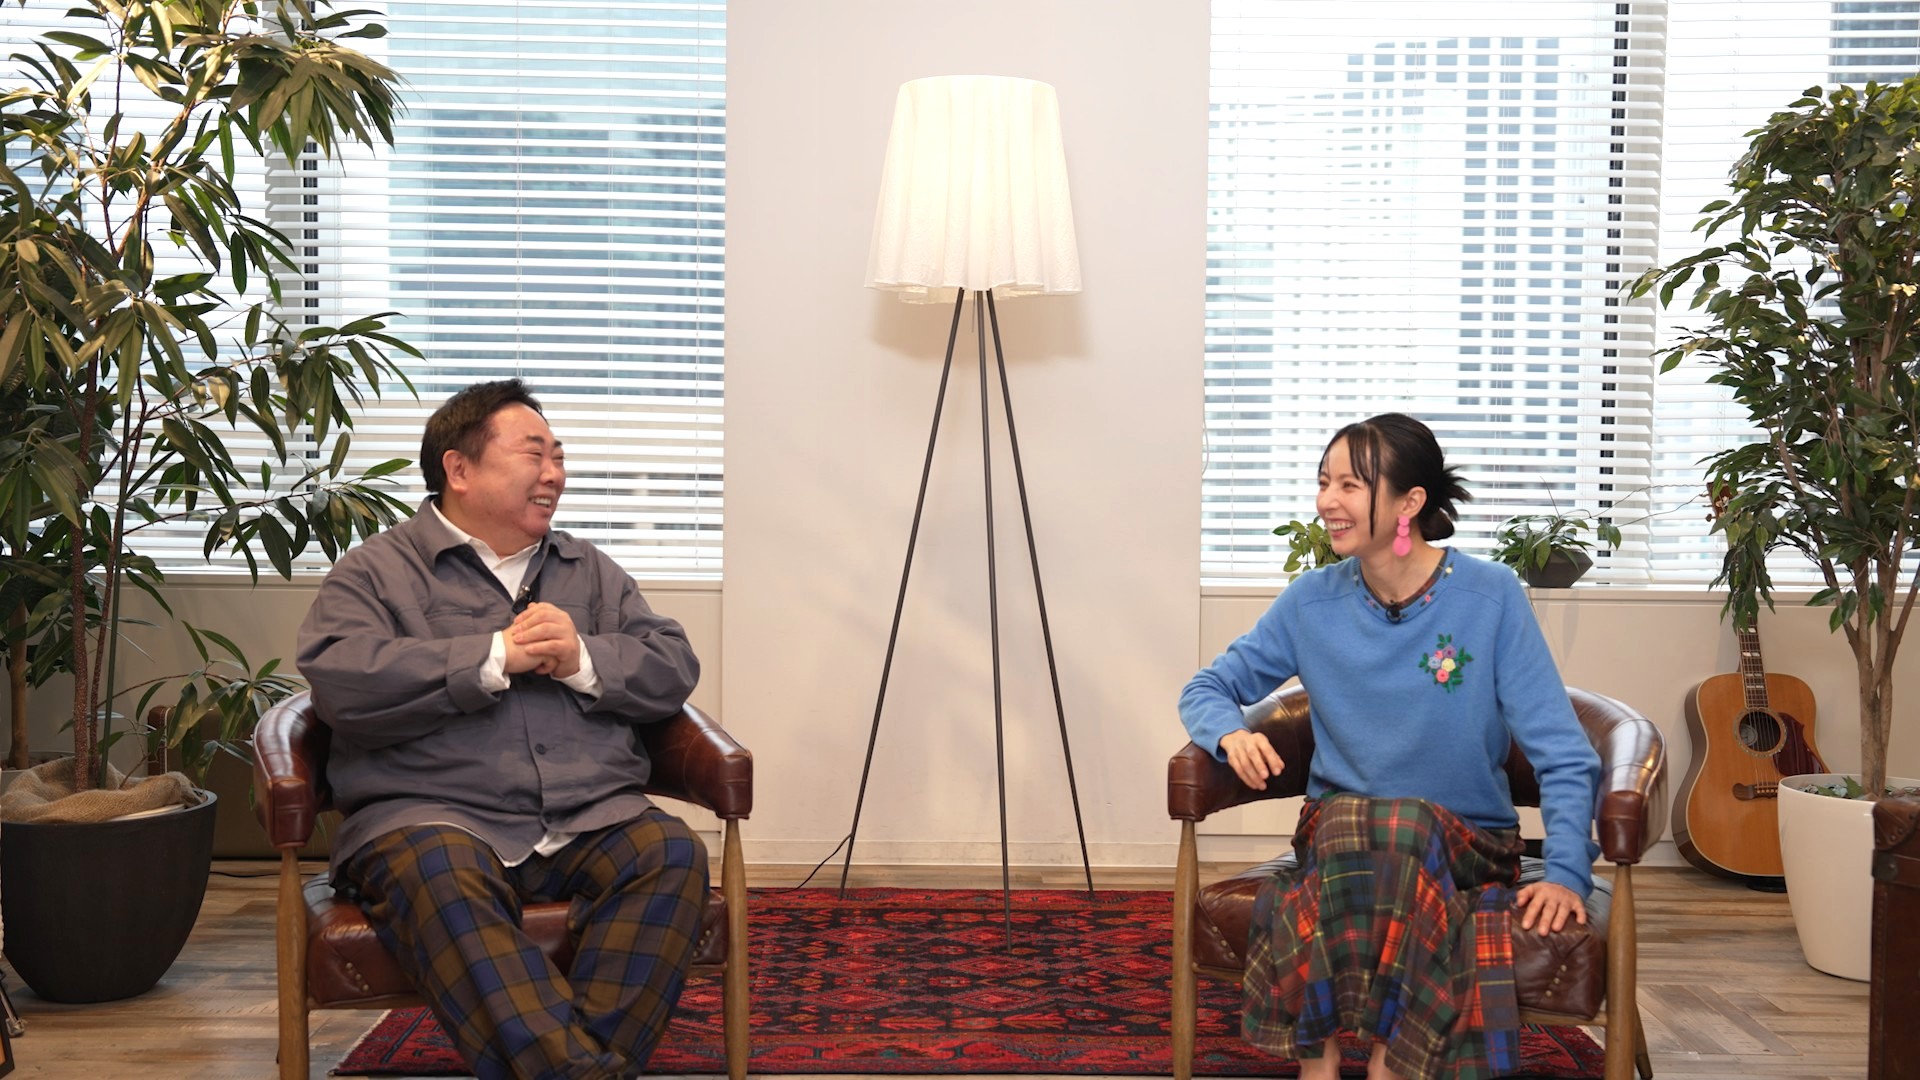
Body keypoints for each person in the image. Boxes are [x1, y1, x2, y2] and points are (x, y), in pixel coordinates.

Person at [297, 379, 706, 1079]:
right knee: (440, 872)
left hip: (590, 812)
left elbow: (673, 665)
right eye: (534, 455)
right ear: (459, 469)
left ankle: (571, 1067)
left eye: (559, 458)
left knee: (670, 851)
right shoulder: (375, 573)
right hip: (429, 815)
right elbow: (342, 680)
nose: (555, 475)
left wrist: (582, 657)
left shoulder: (590, 571)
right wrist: (492, 657)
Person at [1178, 413, 1601, 1080]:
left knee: (1402, 826)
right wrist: (1228, 734)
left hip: (1467, 842)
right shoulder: (1310, 602)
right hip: (1341, 835)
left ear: (1409, 503)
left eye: (1349, 484)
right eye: (1323, 481)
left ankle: (1369, 1060)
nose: (1327, 500)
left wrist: (1568, 870)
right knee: (1367, 822)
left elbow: (1563, 751)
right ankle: (1358, 1060)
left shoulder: (1490, 596)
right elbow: (1208, 686)